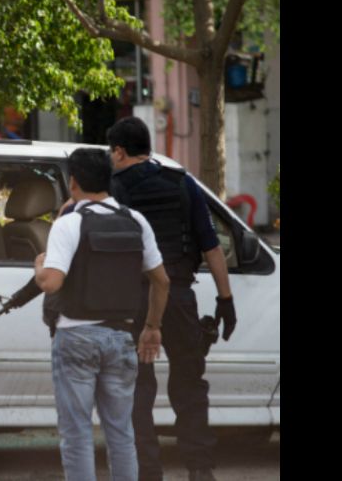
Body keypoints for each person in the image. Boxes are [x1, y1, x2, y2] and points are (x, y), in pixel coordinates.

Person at [107, 116, 237, 481]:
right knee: (189, 384)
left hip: (133, 300)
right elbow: (211, 246)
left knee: (138, 387)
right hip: (179, 297)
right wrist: (225, 299)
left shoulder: (112, 188)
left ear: (120, 152)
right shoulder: (183, 183)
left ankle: (148, 471)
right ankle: (200, 468)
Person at [35, 148, 170, 481]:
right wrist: (152, 327)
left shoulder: (69, 223)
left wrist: (39, 266)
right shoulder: (135, 220)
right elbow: (162, 281)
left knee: (77, 433)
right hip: (122, 337)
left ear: (73, 182)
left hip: (76, 337)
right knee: (122, 432)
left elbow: (51, 283)